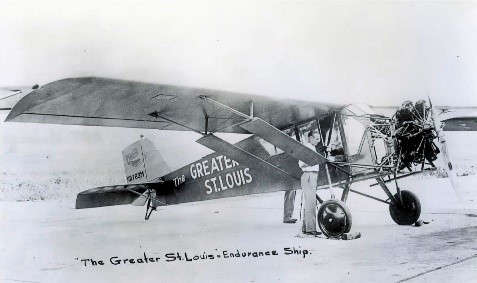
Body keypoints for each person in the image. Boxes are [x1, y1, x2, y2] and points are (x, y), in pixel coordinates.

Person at [299, 131, 321, 235]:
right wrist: (313, 160)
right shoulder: (307, 148)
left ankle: (305, 228)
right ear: (310, 138)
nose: (318, 141)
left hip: (311, 175)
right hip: (309, 175)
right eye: (316, 138)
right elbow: (301, 164)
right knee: (311, 203)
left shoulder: (312, 148)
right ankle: (311, 229)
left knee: (309, 202)